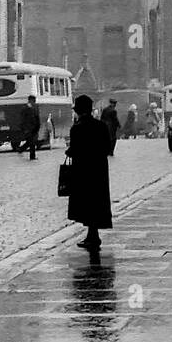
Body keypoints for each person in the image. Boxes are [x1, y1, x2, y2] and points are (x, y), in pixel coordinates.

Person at [66, 94, 112, 249]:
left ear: (78, 110)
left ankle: (92, 236)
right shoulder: (101, 126)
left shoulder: (77, 128)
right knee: (97, 202)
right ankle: (93, 234)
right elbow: (107, 147)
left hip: (83, 171)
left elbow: (74, 149)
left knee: (87, 203)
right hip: (98, 170)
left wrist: (70, 152)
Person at [18, 94, 42, 161]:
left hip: (34, 127)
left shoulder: (34, 107)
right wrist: (23, 128)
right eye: (33, 100)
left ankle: (21, 149)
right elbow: (22, 119)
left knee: (31, 141)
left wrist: (38, 126)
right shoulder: (25, 108)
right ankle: (32, 156)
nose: (34, 102)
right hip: (28, 128)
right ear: (30, 100)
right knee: (32, 142)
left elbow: (37, 117)